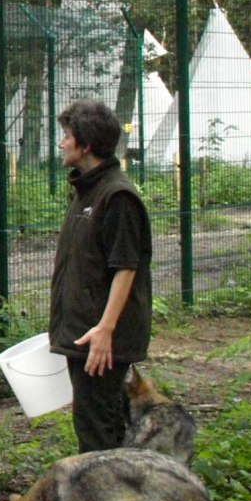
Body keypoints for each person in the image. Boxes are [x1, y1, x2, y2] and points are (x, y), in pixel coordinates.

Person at [50, 99, 152, 454]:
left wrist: (106, 330)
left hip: (102, 340)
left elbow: (126, 266)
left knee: (98, 437)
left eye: (67, 135)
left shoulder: (118, 197)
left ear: (86, 145)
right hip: (86, 334)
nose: (61, 142)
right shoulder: (87, 191)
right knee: (97, 423)